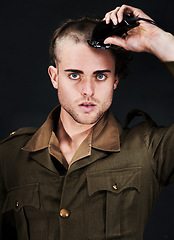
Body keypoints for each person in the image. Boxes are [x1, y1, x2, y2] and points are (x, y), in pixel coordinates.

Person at [0, 4, 174, 240]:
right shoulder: (10, 156)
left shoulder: (150, 149)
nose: (88, 91)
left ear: (115, 80)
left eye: (100, 75)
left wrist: (159, 40)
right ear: (54, 77)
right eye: (74, 75)